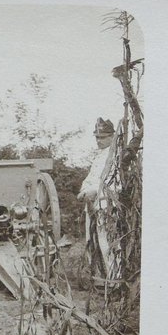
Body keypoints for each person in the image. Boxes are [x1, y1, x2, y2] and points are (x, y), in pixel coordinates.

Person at [77, 117, 116, 281]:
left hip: (106, 205)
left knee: (107, 243)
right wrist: (84, 191)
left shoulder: (115, 156)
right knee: (92, 241)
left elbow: (114, 181)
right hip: (92, 205)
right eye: (97, 137)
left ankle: (114, 279)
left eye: (102, 137)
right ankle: (99, 277)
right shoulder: (99, 157)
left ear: (112, 137)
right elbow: (90, 179)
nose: (98, 141)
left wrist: (94, 191)